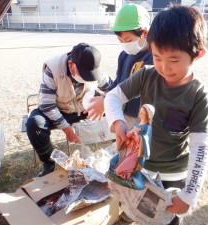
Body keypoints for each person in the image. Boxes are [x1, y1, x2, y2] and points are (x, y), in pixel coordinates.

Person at [104, 5, 208, 225]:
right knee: (134, 209)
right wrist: (118, 124)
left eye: (173, 60)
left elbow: (200, 148)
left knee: (166, 219)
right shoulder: (146, 75)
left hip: (172, 177)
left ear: (197, 54)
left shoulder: (198, 95)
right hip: (141, 168)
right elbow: (112, 97)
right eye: (156, 56)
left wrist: (188, 196)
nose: (164, 67)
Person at [26, 42, 111, 177]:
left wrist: (103, 100)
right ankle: (49, 164)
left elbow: (112, 89)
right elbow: (47, 105)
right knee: (34, 124)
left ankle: (113, 154)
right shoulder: (53, 68)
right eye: (84, 75)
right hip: (59, 110)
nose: (86, 79)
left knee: (118, 109)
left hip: (84, 109)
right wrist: (66, 129)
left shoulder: (93, 67)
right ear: (71, 65)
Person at [84, 3, 153, 128]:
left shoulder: (154, 58)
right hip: (126, 113)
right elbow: (119, 81)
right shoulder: (124, 55)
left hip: (145, 118)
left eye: (128, 40)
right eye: (120, 41)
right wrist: (106, 96)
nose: (125, 45)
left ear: (145, 33)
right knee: (124, 144)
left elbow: (138, 88)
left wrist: (106, 100)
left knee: (141, 146)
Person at [107, 104, 154, 190]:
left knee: (118, 170)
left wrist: (135, 134)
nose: (141, 114)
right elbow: (128, 135)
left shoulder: (147, 128)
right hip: (129, 149)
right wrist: (132, 131)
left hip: (136, 152)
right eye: (141, 112)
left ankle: (128, 177)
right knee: (113, 162)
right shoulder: (137, 123)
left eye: (144, 113)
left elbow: (143, 141)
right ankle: (125, 175)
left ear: (148, 115)